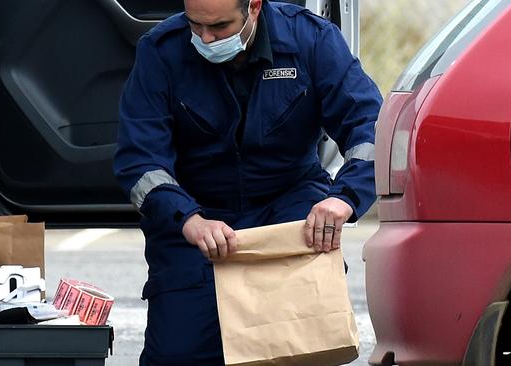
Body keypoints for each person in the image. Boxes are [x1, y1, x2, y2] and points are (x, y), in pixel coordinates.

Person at [114, 0, 382, 364]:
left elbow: (370, 127)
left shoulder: (312, 40)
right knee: (179, 352)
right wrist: (187, 219)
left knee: (301, 343)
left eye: (220, 27)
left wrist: (344, 198)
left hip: (289, 207)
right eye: (196, 26)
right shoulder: (160, 51)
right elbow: (139, 161)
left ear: (254, 7)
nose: (206, 39)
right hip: (197, 218)